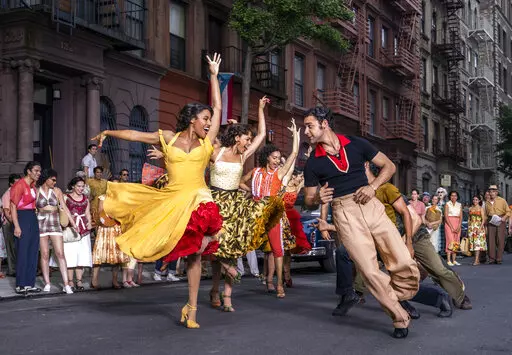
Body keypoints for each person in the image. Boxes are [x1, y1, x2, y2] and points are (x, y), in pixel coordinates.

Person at [91, 53, 223, 329]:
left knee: (197, 252)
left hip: (199, 199)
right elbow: (135, 135)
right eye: (205, 118)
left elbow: (219, 109)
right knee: (179, 250)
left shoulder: (208, 142)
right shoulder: (168, 138)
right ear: (192, 121)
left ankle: (193, 309)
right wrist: (108, 133)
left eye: (210, 119)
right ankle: (187, 302)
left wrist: (213, 76)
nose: (209, 122)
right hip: (173, 201)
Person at [301, 107, 419, 339]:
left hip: (371, 205)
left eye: (309, 125)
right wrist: (317, 198)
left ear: (324, 124)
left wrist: (372, 187)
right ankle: (399, 316)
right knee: (368, 270)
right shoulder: (313, 164)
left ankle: (398, 297)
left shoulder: (356, 144)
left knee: (403, 260)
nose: (306, 131)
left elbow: (389, 166)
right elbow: (308, 200)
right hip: (344, 213)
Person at [239, 120, 300, 299]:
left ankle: (279, 284)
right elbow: (240, 182)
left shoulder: (279, 174)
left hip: (273, 216)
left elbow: (294, 153)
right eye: (274, 158)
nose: (276, 161)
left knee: (277, 250)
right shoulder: (256, 172)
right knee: (237, 242)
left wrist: (295, 136)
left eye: (278, 158)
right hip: (256, 215)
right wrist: (252, 192)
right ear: (267, 157)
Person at [36, 169, 75, 294]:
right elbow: (33, 208)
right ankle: (47, 282)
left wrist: (73, 223)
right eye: (53, 179)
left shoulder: (57, 191)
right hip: (41, 224)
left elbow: (64, 208)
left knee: (60, 253)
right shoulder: (37, 191)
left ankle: (66, 284)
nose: (55, 182)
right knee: (45, 254)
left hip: (55, 224)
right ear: (46, 179)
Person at [55, 177, 93, 291]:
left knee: (81, 256)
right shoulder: (66, 197)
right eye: (79, 186)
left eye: (82, 186)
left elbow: (87, 213)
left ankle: (79, 281)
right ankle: (70, 281)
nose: (81, 188)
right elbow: (61, 212)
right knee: (70, 256)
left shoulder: (86, 199)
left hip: (83, 229)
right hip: (70, 230)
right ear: (73, 186)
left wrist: (90, 222)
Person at [10, 161, 42, 294]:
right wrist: (16, 226)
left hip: (32, 218)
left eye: (39, 171)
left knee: (33, 250)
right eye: (36, 171)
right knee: (23, 251)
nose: (38, 174)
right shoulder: (20, 185)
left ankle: (30, 283)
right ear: (28, 171)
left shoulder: (33, 186)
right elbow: (13, 206)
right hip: (22, 217)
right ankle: (20, 284)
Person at [90, 195, 129, 289]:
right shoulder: (103, 197)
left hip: (116, 227)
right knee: (99, 254)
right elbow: (100, 212)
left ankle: (115, 280)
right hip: (105, 228)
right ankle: (94, 280)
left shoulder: (120, 197)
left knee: (116, 255)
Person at [484, 185, 510, 264]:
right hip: (491, 220)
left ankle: (499, 258)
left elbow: (508, 211)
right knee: (491, 240)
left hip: (500, 220)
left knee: (500, 239)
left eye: (493, 192)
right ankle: (492, 258)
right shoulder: (487, 203)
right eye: (490, 192)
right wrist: (484, 224)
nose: (491, 193)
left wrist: (504, 218)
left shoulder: (502, 200)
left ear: (496, 192)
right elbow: (485, 214)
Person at [2, 173, 21, 276]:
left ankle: (18, 269)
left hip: (18, 223)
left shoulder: (19, 193)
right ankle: (12, 270)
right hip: (9, 224)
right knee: (11, 247)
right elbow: (6, 211)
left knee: (18, 247)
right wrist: (15, 224)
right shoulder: (7, 194)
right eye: (16, 182)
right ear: (11, 184)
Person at [444, 191, 462, 266]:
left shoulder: (459, 205)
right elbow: (446, 216)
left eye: (455, 196)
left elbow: (461, 217)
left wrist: (459, 226)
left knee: (456, 241)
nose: (453, 197)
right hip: (449, 223)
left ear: (457, 197)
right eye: (452, 195)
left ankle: (454, 260)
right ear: (450, 196)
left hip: (457, 223)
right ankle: (448, 260)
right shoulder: (447, 204)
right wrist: (451, 227)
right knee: (450, 241)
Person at [468, 195, 487, 266]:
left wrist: (480, 228)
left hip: (478, 227)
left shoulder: (481, 208)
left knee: (477, 244)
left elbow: (483, 219)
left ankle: (476, 260)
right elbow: (469, 219)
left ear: (479, 201)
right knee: (473, 244)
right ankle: (477, 260)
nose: (475, 201)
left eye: (476, 200)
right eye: (474, 199)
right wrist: (468, 228)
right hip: (471, 227)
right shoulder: (470, 208)